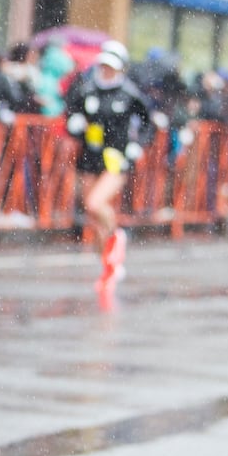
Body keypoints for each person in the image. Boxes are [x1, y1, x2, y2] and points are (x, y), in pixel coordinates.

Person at [63, 43, 153, 294]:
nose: (106, 71)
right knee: (93, 217)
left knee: (94, 204)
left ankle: (116, 236)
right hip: (90, 157)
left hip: (115, 159)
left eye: (112, 66)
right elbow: (71, 113)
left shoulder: (130, 94)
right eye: (103, 65)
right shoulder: (87, 89)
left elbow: (148, 124)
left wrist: (137, 145)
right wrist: (75, 123)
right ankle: (109, 263)